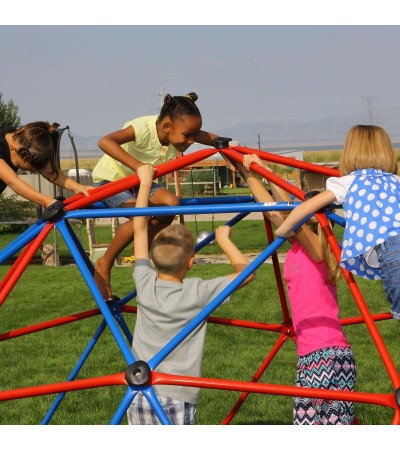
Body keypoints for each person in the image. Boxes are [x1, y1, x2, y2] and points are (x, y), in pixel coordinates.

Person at [126, 163, 255, 425]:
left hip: (138, 392)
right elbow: (247, 273)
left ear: (152, 257)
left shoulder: (144, 281)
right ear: (191, 261)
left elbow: (139, 228)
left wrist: (145, 184)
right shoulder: (198, 291)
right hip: (177, 393)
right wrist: (225, 240)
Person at [240, 153, 356, 425]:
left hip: (328, 356)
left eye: (301, 207)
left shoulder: (317, 250)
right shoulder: (296, 242)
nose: (292, 211)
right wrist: (251, 174)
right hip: (310, 356)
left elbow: (285, 210)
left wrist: (265, 171)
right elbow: (272, 209)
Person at [92, 92, 223, 301]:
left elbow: (209, 137)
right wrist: (139, 167)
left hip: (141, 182)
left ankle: (141, 244)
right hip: (112, 181)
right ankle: (105, 262)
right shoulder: (143, 129)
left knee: (172, 204)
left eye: (194, 136)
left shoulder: (178, 131)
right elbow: (105, 141)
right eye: (188, 136)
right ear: (167, 126)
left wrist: (225, 146)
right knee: (141, 215)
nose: (192, 141)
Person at [276, 124, 400, 320]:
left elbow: (305, 207)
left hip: (392, 250)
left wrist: (282, 230)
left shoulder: (348, 182)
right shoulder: (395, 180)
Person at [0, 121, 91, 208]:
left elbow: (50, 173)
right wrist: (46, 201)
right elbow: (13, 182)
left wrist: (78, 187)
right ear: (13, 148)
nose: (30, 172)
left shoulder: (27, 142)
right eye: (28, 168)